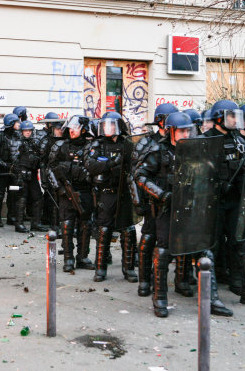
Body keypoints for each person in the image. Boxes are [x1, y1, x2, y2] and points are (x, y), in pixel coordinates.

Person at [135, 112, 232, 317]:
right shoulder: (158, 151)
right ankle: (160, 298)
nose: (186, 133)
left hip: (192, 207)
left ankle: (211, 299)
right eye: (182, 130)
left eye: (189, 129)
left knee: (203, 250)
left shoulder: (198, 149)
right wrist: (161, 194)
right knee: (163, 252)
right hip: (166, 209)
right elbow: (140, 176)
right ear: (171, 131)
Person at [203, 100, 245, 308]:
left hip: (233, 202)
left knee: (244, 244)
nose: (235, 119)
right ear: (220, 117)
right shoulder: (205, 140)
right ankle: (211, 298)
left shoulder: (237, 139)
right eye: (231, 116)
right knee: (210, 249)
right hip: (212, 204)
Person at [131, 103, 178, 297]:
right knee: (148, 238)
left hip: (169, 201)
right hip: (151, 200)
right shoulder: (147, 143)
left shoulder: (176, 142)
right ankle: (144, 281)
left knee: (164, 243)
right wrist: (139, 202)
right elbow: (135, 175)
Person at [85, 112, 137, 283]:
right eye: (105, 125)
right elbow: (91, 165)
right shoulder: (98, 145)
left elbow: (136, 165)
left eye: (111, 125)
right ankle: (100, 269)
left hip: (123, 193)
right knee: (104, 230)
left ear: (118, 126)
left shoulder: (127, 145)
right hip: (106, 193)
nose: (108, 128)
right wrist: (110, 163)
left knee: (127, 231)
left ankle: (128, 269)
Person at [48, 115, 95, 272]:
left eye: (76, 128)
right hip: (66, 191)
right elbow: (50, 169)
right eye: (71, 128)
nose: (72, 131)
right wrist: (59, 189)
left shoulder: (91, 146)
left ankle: (82, 257)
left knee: (86, 225)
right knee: (67, 225)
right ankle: (68, 258)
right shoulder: (61, 146)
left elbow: (95, 168)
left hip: (85, 190)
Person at [12, 120, 46, 233]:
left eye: (29, 130)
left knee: (38, 197)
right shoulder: (17, 142)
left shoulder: (34, 142)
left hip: (32, 173)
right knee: (22, 198)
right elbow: (14, 159)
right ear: (22, 131)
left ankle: (36, 223)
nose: (28, 132)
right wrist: (20, 172)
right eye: (25, 130)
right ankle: (19, 224)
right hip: (21, 174)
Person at [38, 114, 65, 233]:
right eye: (58, 129)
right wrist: (44, 179)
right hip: (51, 172)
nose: (60, 131)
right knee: (52, 198)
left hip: (62, 173)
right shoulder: (47, 141)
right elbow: (43, 162)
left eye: (61, 129)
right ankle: (53, 223)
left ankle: (59, 221)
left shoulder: (66, 141)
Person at [0, 113, 21, 227]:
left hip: (13, 172)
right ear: (11, 124)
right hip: (1, 172)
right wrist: (5, 165)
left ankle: (11, 216)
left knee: (13, 193)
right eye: (17, 122)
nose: (19, 124)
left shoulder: (18, 136)